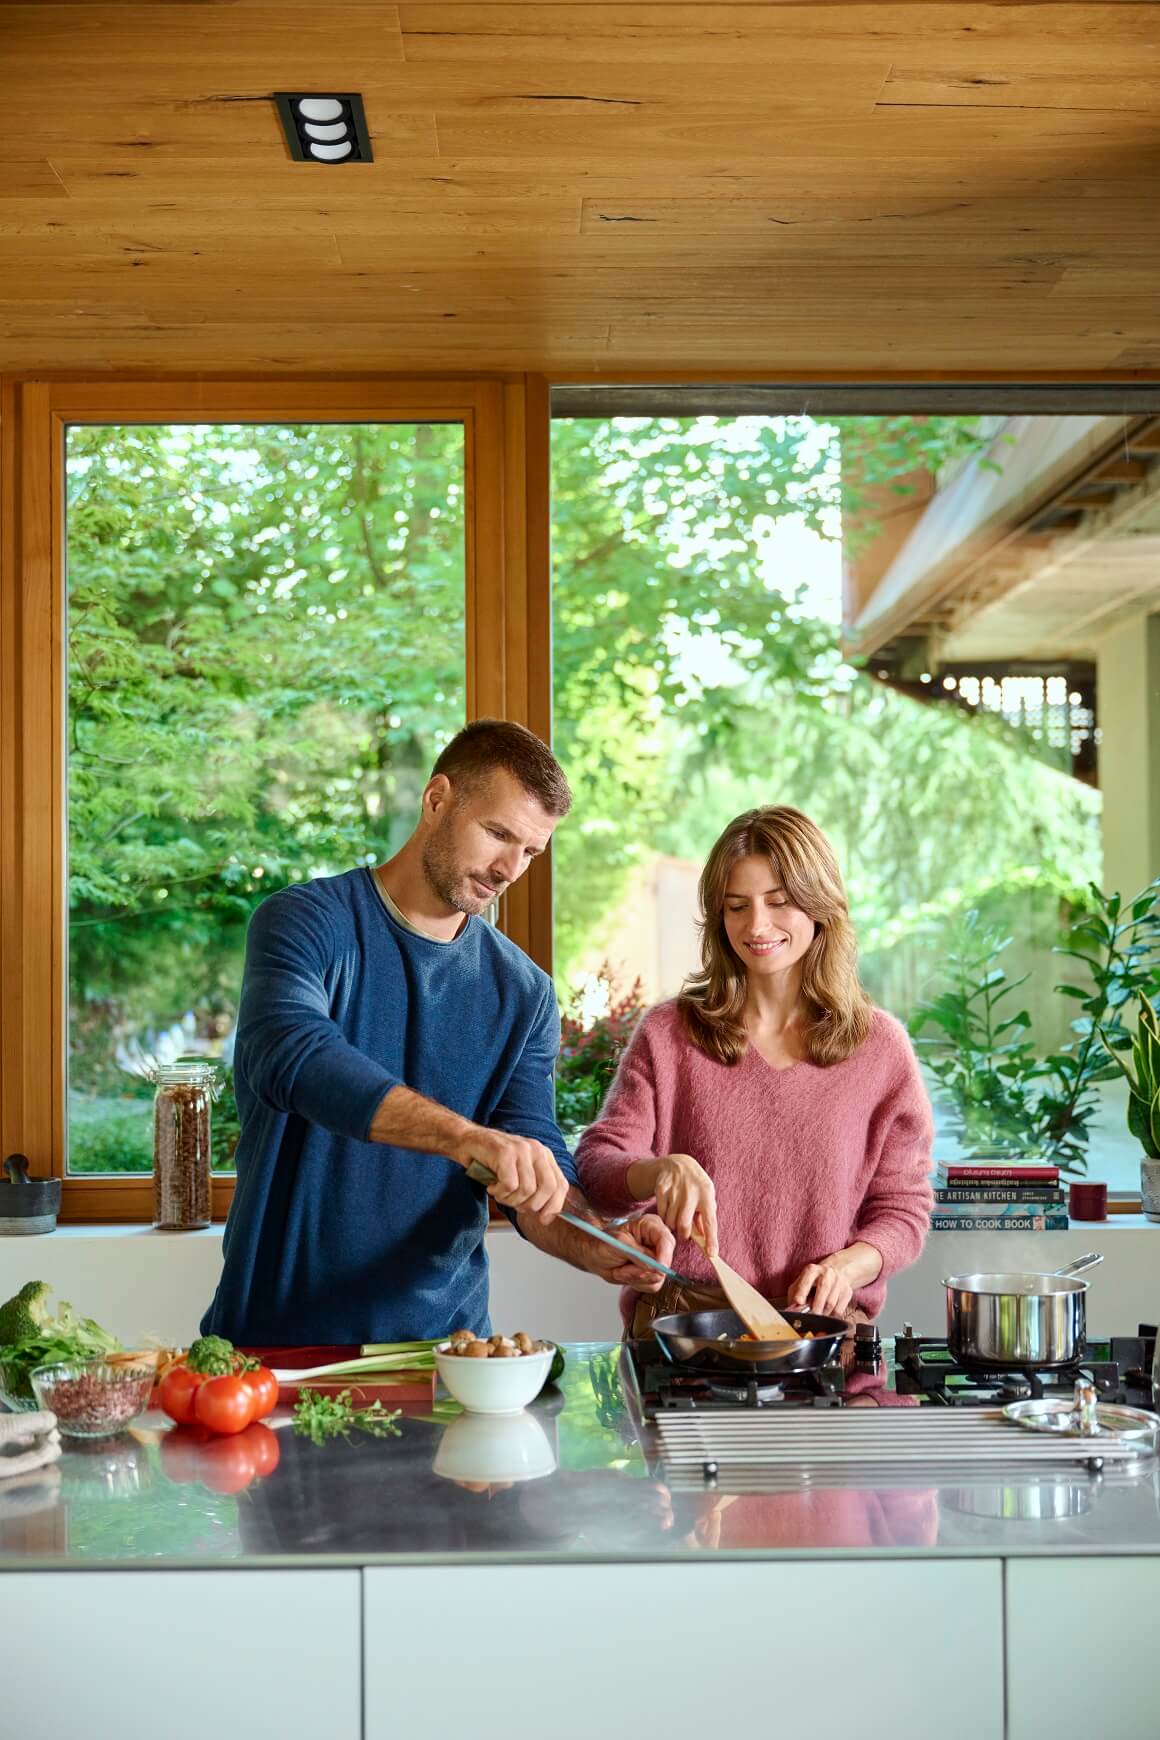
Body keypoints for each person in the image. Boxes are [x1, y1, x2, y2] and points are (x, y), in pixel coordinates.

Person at [202, 719, 673, 1347]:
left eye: (530, 851)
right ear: (436, 800)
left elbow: (533, 1155)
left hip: (451, 1360)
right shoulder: (305, 922)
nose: (509, 868)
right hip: (275, 1348)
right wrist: (466, 1139)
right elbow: (292, 1054)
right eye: (498, 833)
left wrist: (598, 1241)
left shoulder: (524, 993)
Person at [576, 805, 933, 1335]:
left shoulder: (879, 1049)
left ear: (818, 905)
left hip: (823, 1333)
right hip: (682, 1333)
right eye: (737, 906)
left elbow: (903, 1209)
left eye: (779, 902)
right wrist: (659, 1169)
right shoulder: (670, 1033)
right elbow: (598, 1166)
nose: (757, 926)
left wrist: (848, 1267)